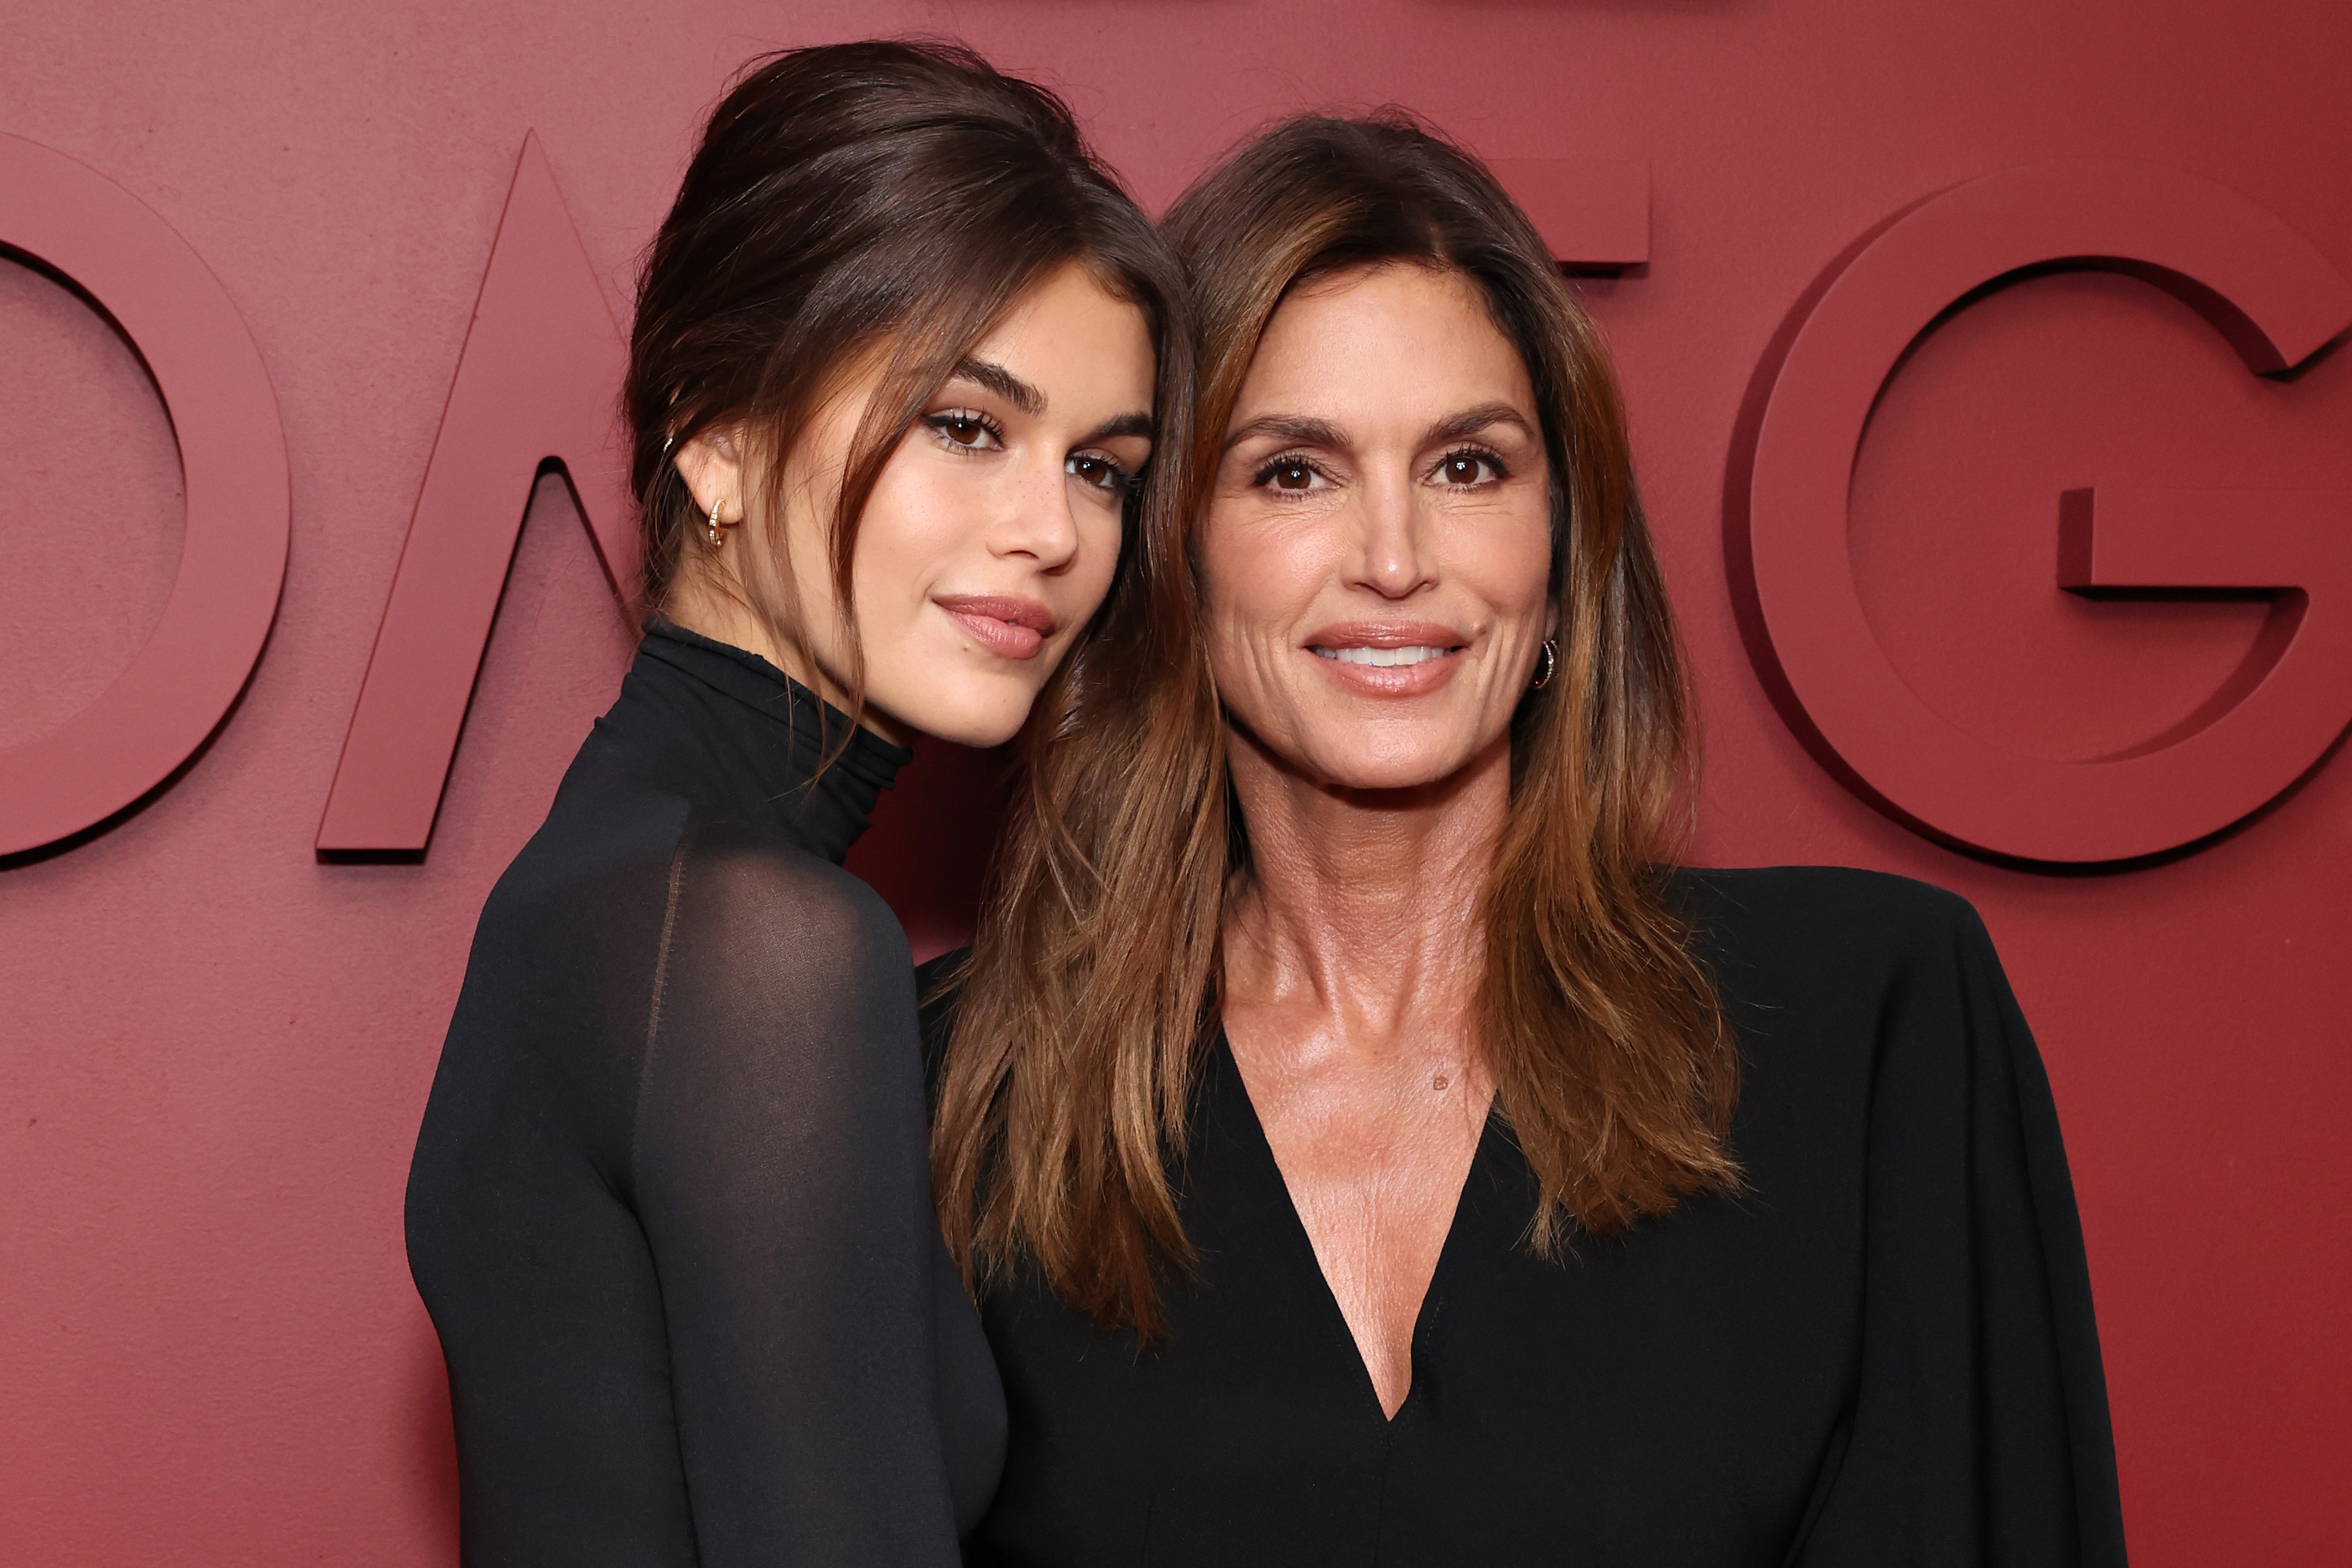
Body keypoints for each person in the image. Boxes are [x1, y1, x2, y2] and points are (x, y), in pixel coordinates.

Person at [927, 114, 2127, 1566]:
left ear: (1566, 556)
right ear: (1172, 556)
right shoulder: (957, 1098)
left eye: (1470, 468)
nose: (1392, 556)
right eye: (1293, 472)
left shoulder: (1867, 1030)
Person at [403, 40, 1186, 1566]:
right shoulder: (759, 942)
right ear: (716, 430)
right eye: (970, 426)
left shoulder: (618, 881)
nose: (1052, 530)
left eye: (1101, 465)